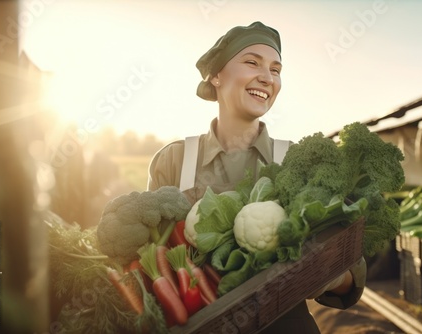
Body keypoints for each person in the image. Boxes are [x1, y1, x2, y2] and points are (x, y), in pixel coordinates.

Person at [147, 21, 366, 334]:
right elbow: (152, 260)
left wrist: (325, 273)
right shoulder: (174, 160)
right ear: (216, 76)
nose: (267, 77)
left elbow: (351, 275)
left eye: (276, 69)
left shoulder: (297, 160)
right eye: (252, 62)